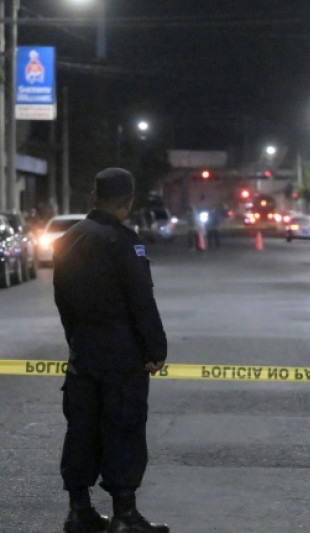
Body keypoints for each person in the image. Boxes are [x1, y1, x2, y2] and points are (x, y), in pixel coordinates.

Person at [54, 168, 170, 533]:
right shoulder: (123, 241)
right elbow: (140, 300)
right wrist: (155, 347)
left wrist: (77, 339)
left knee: (82, 429)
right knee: (123, 428)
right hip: (122, 355)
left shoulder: (68, 238)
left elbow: (62, 301)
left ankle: (79, 511)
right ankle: (124, 515)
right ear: (129, 201)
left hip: (83, 351)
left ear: (94, 195)